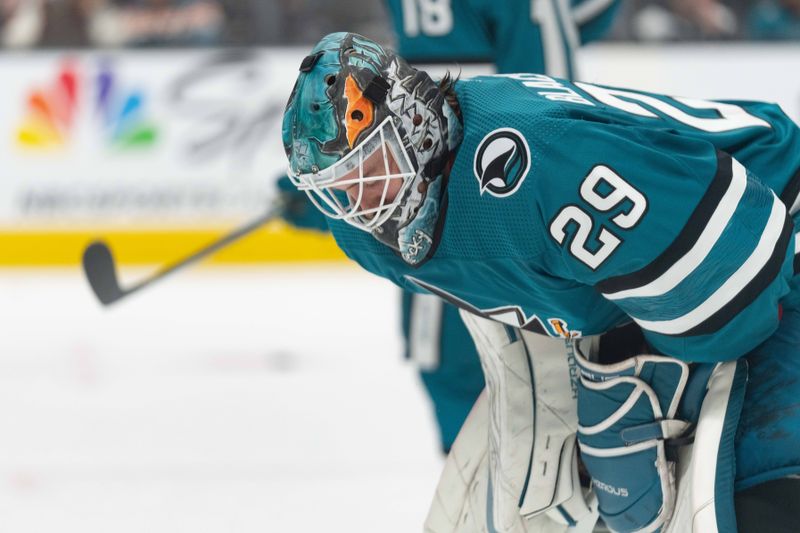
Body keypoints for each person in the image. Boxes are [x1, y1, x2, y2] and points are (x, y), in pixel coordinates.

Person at [281, 32, 800, 531]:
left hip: (774, 222)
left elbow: (737, 286)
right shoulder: (369, 241)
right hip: (684, 269)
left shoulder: (538, 157)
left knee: (756, 491)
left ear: (416, 122)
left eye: (369, 167)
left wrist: (636, 380)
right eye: (338, 188)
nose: (361, 202)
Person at [277, 0, 620, 454]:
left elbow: (550, 107)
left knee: (532, 409)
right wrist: (340, 182)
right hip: (451, 215)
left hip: (489, 218)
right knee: (474, 411)